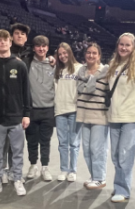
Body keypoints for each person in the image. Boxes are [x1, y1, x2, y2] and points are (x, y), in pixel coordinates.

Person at [0, 29, 30, 197]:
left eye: (5, 40)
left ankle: (17, 178)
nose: (2, 43)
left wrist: (26, 114)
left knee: (17, 151)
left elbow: (26, 91)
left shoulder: (19, 65)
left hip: (16, 116)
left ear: (10, 43)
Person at [106, 33, 135, 203]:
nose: (124, 48)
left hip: (131, 116)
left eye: (127, 45)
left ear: (133, 47)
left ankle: (123, 190)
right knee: (116, 155)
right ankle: (119, 186)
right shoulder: (112, 64)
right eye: (121, 44)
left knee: (125, 154)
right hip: (114, 115)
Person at [76, 43, 109, 190]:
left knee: (97, 148)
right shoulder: (81, 71)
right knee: (87, 148)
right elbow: (79, 90)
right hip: (83, 113)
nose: (91, 55)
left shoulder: (106, 71)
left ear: (99, 56)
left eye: (94, 53)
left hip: (99, 114)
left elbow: (108, 92)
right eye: (88, 52)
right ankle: (93, 175)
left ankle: (100, 177)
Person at [24, 35, 55, 181]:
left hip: (48, 109)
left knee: (45, 141)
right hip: (32, 110)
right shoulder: (27, 62)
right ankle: (32, 165)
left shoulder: (53, 64)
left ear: (48, 48)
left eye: (44, 46)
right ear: (34, 48)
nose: (41, 48)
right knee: (31, 140)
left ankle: (45, 167)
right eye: (38, 46)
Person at [54, 42, 83, 182]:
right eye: (60, 54)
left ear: (70, 52)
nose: (63, 56)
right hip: (60, 110)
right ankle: (64, 169)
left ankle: (73, 170)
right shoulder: (57, 70)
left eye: (65, 53)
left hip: (74, 110)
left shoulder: (79, 68)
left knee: (74, 142)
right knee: (62, 142)